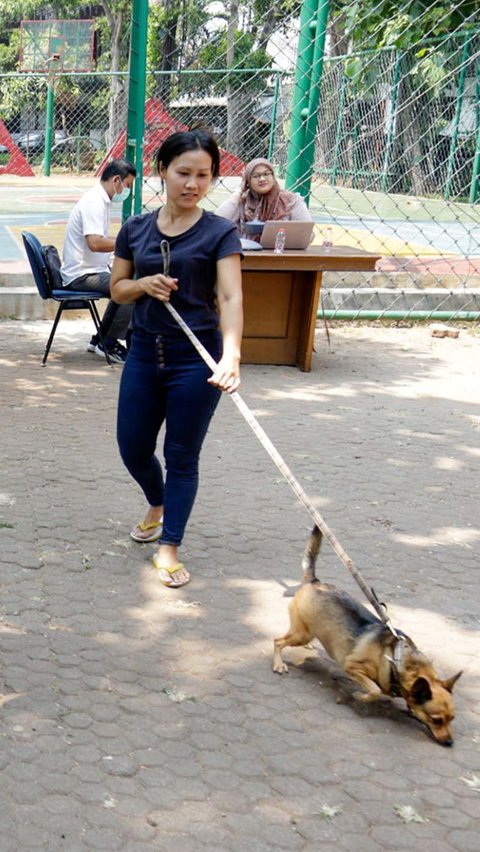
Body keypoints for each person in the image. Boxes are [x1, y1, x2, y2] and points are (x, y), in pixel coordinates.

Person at [110, 129, 243, 588]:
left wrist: (232, 356)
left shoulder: (220, 232)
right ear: (162, 170)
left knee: (182, 456)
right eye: (183, 172)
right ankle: (157, 501)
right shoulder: (135, 229)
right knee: (132, 448)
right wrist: (144, 285)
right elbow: (117, 289)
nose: (192, 184)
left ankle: (169, 545)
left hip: (196, 359)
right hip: (145, 352)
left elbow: (229, 296)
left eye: (203, 175)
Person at [60, 158, 137, 363]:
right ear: (116, 180)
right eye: (127, 185)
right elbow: (95, 243)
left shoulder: (101, 200)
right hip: (81, 274)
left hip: (90, 269)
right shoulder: (94, 202)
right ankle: (109, 343)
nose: (127, 190)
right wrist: (126, 243)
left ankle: (100, 339)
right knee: (131, 289)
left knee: (121, 283)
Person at [215, 157, 312, 238]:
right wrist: (239, 191)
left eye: (266, 174)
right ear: (247, 181)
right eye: (256, 176)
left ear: (273, 176)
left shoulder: (291, 200)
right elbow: (217, 224)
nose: (262, 179)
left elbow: (308, 234)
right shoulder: (242, 201)